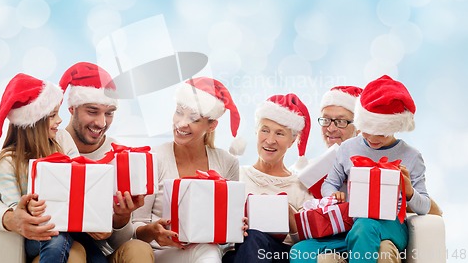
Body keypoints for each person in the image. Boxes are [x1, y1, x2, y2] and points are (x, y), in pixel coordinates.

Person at [0, 62, 154, 263]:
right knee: (70, 250)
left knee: (129, 250)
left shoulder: (118, 157)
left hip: (88, 240)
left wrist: (117, 221)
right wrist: (14, 217)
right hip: (50, 240)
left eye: (109, 113)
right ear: (72, 108)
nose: (102, 123)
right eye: (93, 111)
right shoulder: (23, 155)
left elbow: (116, 240)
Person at [291, 75, 431, 263]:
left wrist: (409, 192)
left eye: (380, 133)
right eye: (366, 129)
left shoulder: (411, 156)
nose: (372, 138)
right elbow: (328, 184)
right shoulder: (348, 148)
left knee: (365, 226)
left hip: (390, 227)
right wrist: (332, 195)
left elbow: (425, 207)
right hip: (349, 227)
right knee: (300, 251)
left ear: (396, 126)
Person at [0, 73, 106, 263]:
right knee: (55, 237)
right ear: (32, 124)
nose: (59, 120)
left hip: (70, 224)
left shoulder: (62, 139)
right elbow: (14, 208)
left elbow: (80, 175)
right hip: (39, 232)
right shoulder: (9, 160)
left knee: (96, 256)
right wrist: (28, 208)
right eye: (52, 116)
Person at [132, 76, 242, 263]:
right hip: (159, 253)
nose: (182, 123)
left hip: (208, 252)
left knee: (208, 249)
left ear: (212, 125)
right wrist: (152, 231)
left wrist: (235, 226)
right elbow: (135, 227)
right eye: (179, 112)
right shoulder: (153, 158)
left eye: (194, 119)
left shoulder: (227, 162)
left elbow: (228, 241)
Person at [222, 93, 314, 263]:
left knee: (254, 237)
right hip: (238, 253)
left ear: (292, 140)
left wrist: (288, 212)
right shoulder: (236, 175)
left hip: (279, 256)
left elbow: (307, 246)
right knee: (248, 240)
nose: (270, 140)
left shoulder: (301, 187)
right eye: (265, 130)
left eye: (280, 133)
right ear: (257, 132)